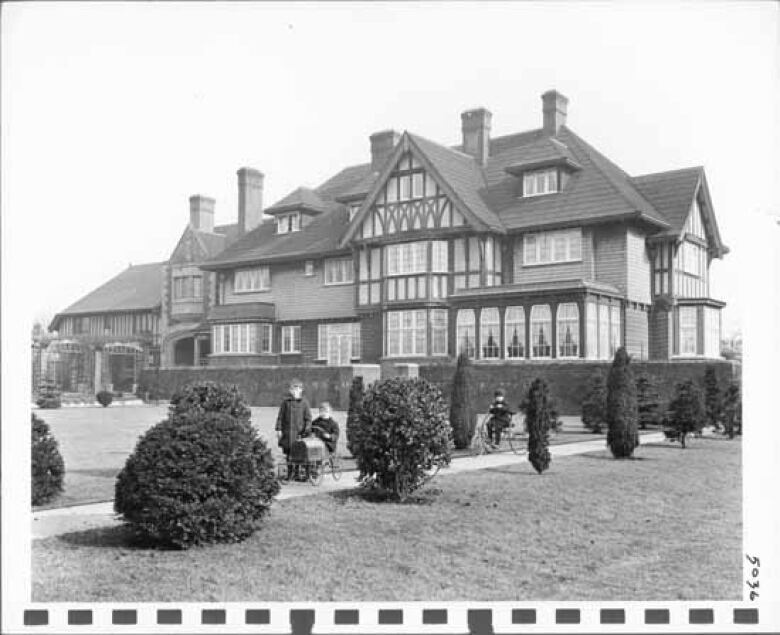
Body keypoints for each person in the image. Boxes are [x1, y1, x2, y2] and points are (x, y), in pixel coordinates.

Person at [275, 378, 312, 468]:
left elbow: (308, 418)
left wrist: (307, 428)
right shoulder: (285, 403)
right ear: (290, 390)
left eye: (297, 388)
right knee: (288, 454)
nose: (295, 391)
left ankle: (296, 473)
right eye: (293, 389)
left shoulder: (304, 403)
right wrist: (278, 429)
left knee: (298, 454)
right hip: (287, 433)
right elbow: (280, 417)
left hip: (299, 433)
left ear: (301, 390)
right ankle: (290, 473)